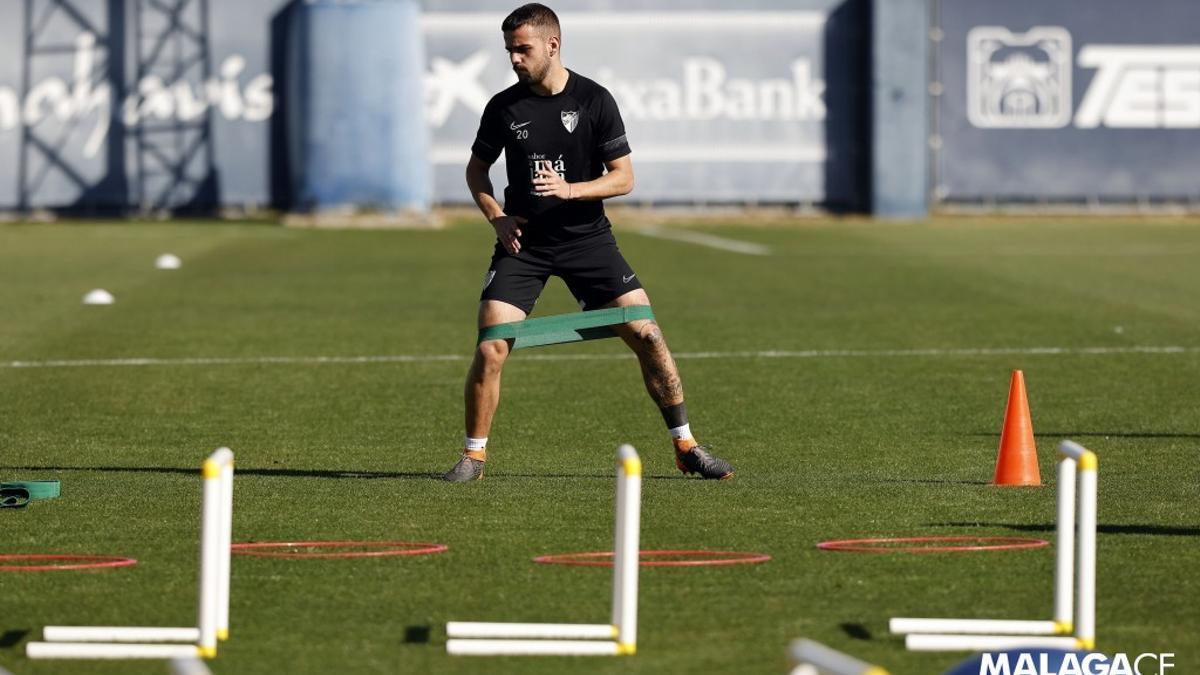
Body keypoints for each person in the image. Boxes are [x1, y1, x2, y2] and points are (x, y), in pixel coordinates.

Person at [444, 3, 734, 482]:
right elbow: (477, 170)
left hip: (588, 242)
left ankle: (686, 446)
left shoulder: (595, 100)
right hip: (525, 246)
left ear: (552, 46)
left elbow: (624, 179)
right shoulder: (502, 107)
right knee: (493, 343)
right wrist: (496, 217)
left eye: (523, 49)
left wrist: (571, 190)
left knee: (648, 334)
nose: (514, 59)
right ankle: (473, 457)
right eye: (509, 51)